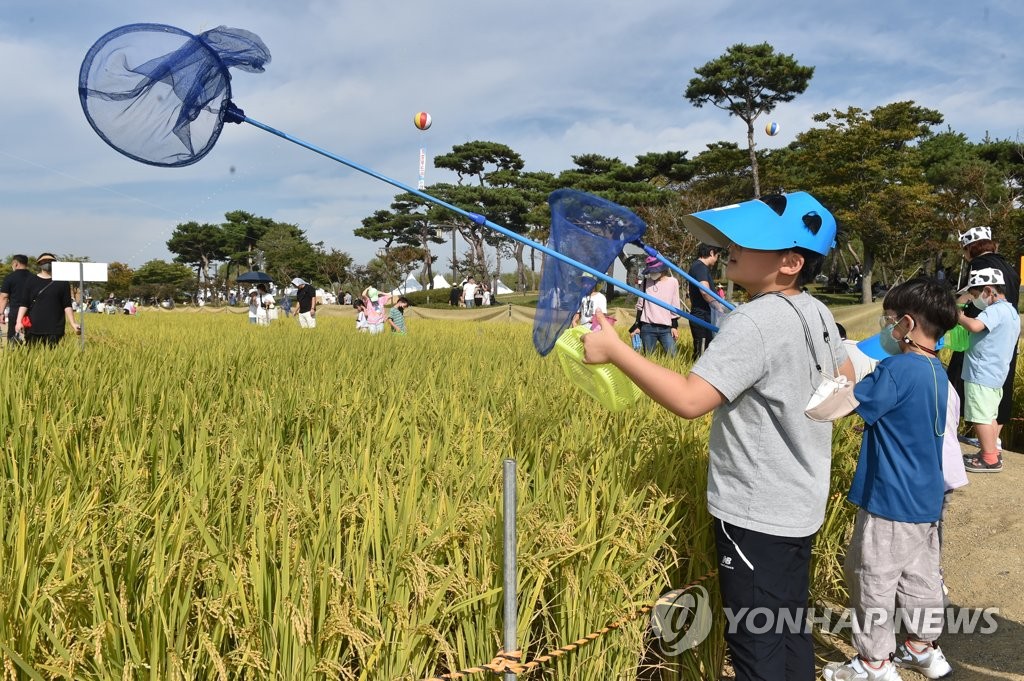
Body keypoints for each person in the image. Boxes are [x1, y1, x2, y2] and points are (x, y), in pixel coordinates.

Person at [583, 192, 852, 681]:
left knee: (756, 647)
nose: (732, 247)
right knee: (789, 627)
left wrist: (613, 349)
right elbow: (844, 377)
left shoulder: (754, 321)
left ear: (790, 262)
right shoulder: (813, 311)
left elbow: (690, 400)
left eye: (749, 242)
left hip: (756, 513)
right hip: (799, 503)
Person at [822, 278, 958, 681]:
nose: (885, 327)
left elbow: (840, 405)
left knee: (872, 578)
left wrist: (834, 367)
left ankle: (873, 662)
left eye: (889, 320)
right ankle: (922, 647)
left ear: (907, 324)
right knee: (920, 574)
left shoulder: (896, 368)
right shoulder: (937, 370)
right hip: (926, 499)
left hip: (891, 498)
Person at [947, 226, 1020, 451]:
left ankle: (949, 429)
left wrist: (955, 309)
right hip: (1007, 334)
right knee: (1002, 386)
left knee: (962, 381)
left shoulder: (978, 264)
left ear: (971, 247)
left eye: (964, 249)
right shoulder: (1008, 266)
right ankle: (992, 441)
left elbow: (970, 295)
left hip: (982, 334)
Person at [955, 267, 1020, 473]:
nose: (974, 299)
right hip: (996, 374)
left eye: (975, 294)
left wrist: (958, 316)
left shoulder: (994, 310)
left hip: (980, 372)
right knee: (990, 415)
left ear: (989, 290)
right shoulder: (1011, 312)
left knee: (980, 416)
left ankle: (989, 458)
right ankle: (992, 451)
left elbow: (974, 326)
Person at [14, 252, 80, 346]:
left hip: (55, 328)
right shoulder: (31, 280)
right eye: (44, 261)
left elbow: (67, 305)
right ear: (39, 264)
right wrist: (18, 322)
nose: (48, 263)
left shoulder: (62, 282)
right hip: (33, 327)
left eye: (51, 261)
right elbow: (24, 304)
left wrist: (73, 323)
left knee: (53, 356)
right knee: (32, 355)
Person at [629, 256, 681, 356]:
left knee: (673, 356)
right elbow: (640, 305)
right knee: (649, 358)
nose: (652, 273)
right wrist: (637, 326)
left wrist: (674, 326)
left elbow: (675, 305)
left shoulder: (673, 282)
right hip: (647, 327)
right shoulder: (645, 283)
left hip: (666, 328)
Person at [688, 244, 725, 359]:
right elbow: (704, 291)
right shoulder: (700, 267)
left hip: (705, 314)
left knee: (707, 350)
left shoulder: (699, 267)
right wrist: (719, 308)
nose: (717, 259)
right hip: (701, 315)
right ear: (711, 253)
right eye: (717, 255)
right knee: (702, 354)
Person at [0, 254, 32, 344]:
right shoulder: (34, 277)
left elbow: (4, 297)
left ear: (15, 264)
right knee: (31, 340)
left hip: (15, 312)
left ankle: (15, 356)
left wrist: (1, 313)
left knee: (13, 339)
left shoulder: (9, 278)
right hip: (31, 312)